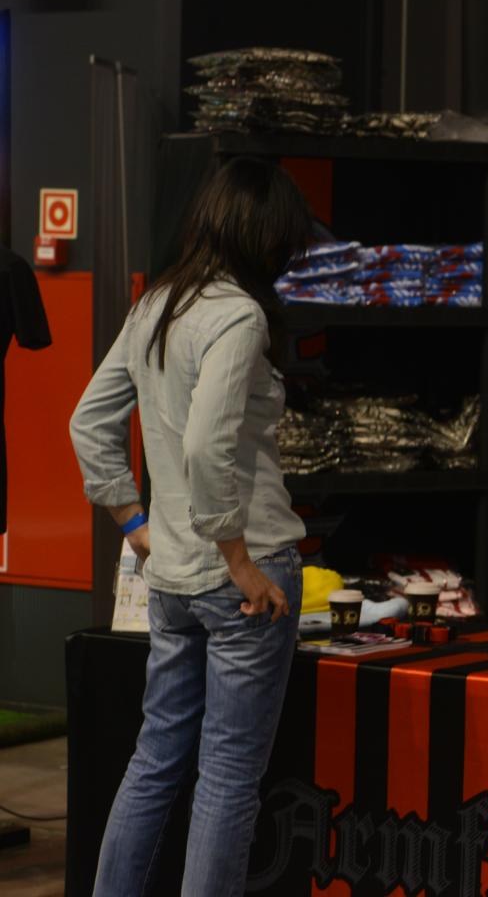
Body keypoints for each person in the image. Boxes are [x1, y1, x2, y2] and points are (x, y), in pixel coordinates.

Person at [70, 156, 312, 896]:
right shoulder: (238, 315)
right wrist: (237, 558)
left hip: (172, 576)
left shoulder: (156, 305)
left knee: (154, 760)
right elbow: (207, 445)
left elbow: (88, 423)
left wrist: (135, 522)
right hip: (244, 571)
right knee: (228, 778)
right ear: (261, 235)